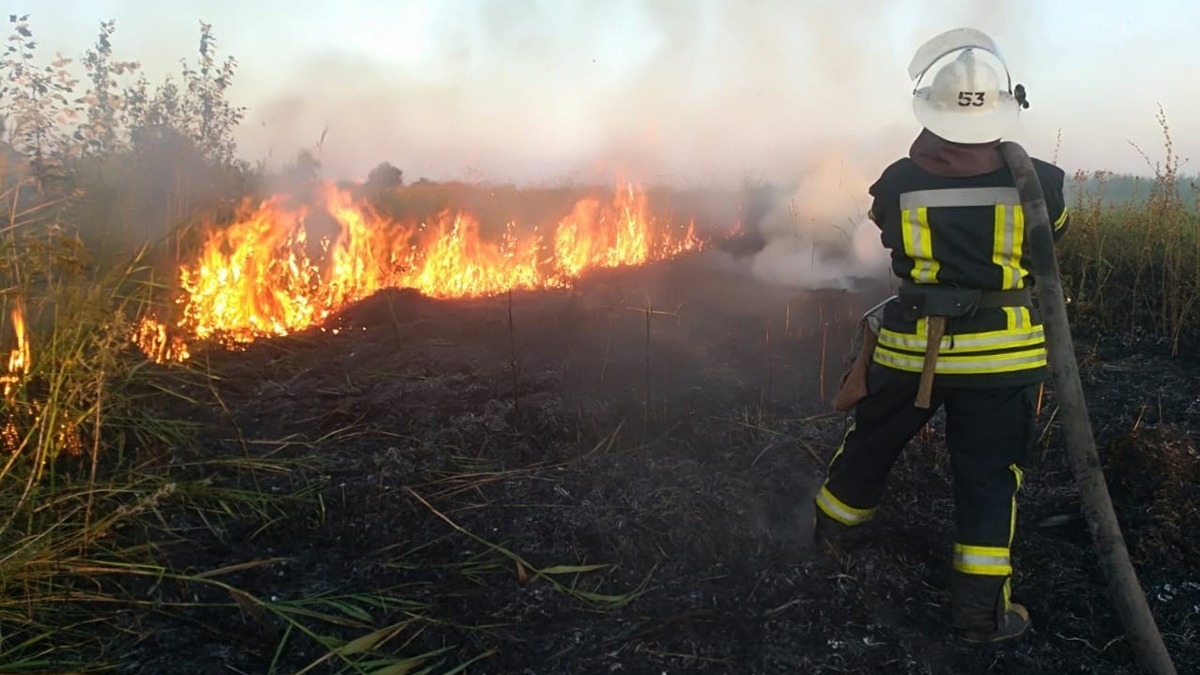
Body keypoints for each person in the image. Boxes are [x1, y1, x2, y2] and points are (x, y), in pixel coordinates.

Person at [815, 28, 1070, 645]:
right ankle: (980, 618)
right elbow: (1051, 238)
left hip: (908, 352)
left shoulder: (898, 180)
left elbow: (884, 230)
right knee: (988, 477)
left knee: (869, 446)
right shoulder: (1043, 179)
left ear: (932, 110)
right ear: (1005, 105)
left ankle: (828, 544)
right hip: (1002, 362)